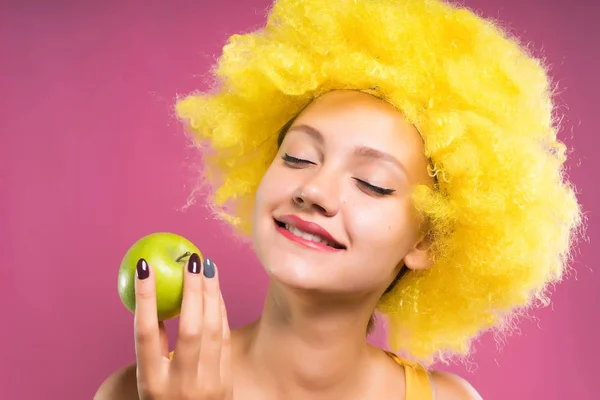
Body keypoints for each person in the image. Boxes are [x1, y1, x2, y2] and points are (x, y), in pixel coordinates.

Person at [95, 0, 583, 399]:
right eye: (299, 158)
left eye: (371, 183)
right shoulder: (136, 392)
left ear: (428, 239)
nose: (314, 192)